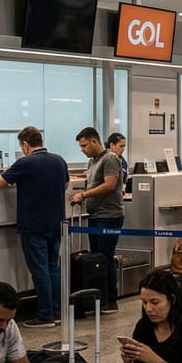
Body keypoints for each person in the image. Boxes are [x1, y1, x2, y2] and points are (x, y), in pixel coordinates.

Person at [0, 126, 70, 328]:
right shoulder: (59, 160)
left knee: (39, 270)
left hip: (34, 224)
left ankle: (45, 316)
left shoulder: (25, 162)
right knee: (53, 267)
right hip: (56, 222)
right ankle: (57, 311)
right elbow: (65, 185)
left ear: (25, 145)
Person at [72, 127, 125, 313]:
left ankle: (111, 300)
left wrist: (84, 195)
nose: (83, 149)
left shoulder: (110, 158)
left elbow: (109, 185)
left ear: (94, 141)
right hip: (96, 216)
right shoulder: (92, 162)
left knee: (106, 257)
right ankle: (99, 298)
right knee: (98, 259)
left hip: (109, 216)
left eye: (85, 145)